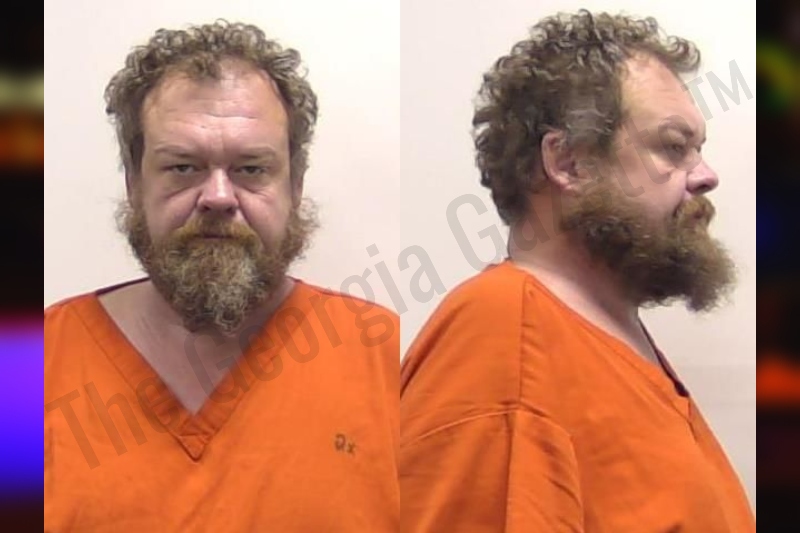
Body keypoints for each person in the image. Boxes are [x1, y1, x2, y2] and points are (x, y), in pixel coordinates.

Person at [400, 10, 755, 532]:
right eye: (673, 147)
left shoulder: (602, 334)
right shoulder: (506, 335)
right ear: (569, 163)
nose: (705, 175)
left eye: (698, 149)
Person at [44, 21, 398, 532]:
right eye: (183, 167)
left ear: (296, 185)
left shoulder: (385, 360)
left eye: (251, 169)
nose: (218, 197)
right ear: (133, 183)